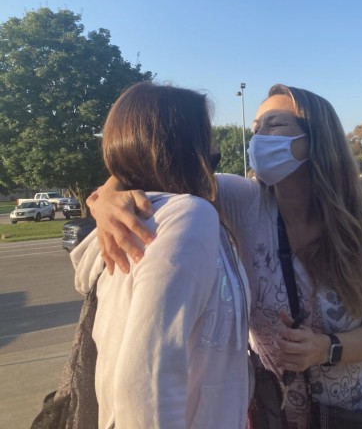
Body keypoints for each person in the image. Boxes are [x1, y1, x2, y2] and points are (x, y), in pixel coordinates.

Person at [88, 84, 362, 428]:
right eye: (256, 128)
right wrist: (105, 198)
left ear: (317, 140)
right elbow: (155, 164)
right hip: (270, 413)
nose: (259, 137)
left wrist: (324, 348)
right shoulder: (242, 200)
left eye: (275, 125)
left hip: (349, 415)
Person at [73, 82, 250, 428]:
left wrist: (106, 192)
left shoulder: (142, 215)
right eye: (207, 135)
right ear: (186, 145)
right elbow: (144, 380)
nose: (214, 148)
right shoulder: (188, 217)